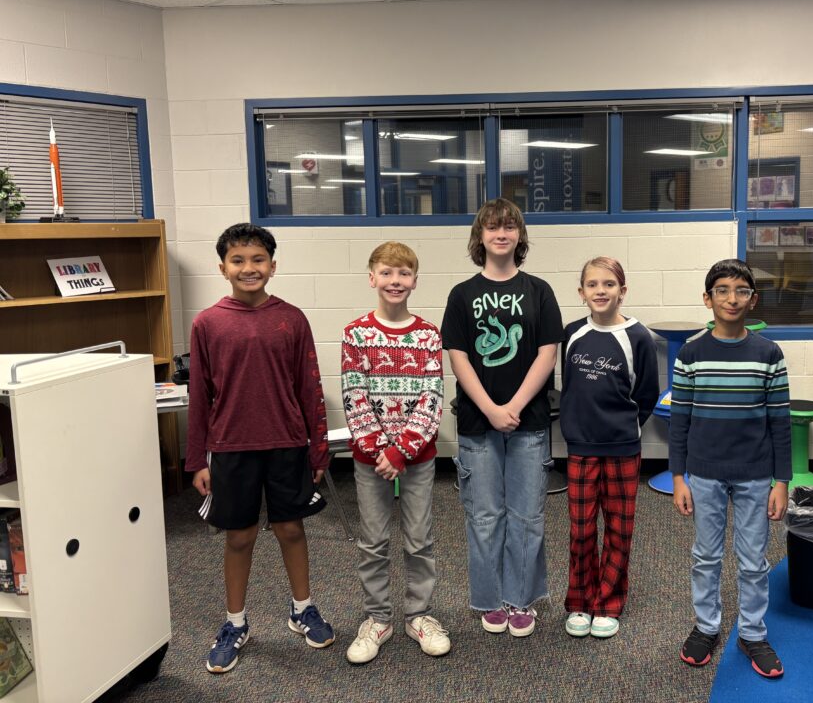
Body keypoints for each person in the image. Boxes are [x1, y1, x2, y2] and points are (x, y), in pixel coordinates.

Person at [186, 223, 334, 674]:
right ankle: (235, 623)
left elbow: (310, 387)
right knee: (240, 536)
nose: (249, 268)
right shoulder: (207, 322)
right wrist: (196, 460)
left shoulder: (292, 318)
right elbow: (199, 396)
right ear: (223, 268)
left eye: (257, 260)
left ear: (272, 265)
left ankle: (302, 609)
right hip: (231, 447)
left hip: (287, 443)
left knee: (291, 530)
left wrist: (318, 450)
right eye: (238, 260)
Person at [441, 197, 562, 638]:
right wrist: (491, 409)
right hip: (477, 423)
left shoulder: (539, 290)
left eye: (509, 226)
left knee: (527, 515)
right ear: (480, 236)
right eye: (493, 227)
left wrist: (513, 406)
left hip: (528, 421)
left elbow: (548, 352)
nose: (501, 233)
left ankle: (521, 599)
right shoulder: (462, 294)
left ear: (519, 235)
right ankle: (491, 599)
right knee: (485, 516)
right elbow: (458, 357)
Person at [670, 258, 791, 679]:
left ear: (753, 299)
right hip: (703, 472)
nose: (731, 298)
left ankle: (752, 633)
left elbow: (779, 420)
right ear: (708, 299)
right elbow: (679, 419)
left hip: (757, 474)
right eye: (722, 290)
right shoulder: (690, 353)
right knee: (706, 555)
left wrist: (782, 481)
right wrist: (679, 476)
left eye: (741, 291)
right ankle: (706, 627)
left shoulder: (769, 354)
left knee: (754, 559)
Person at [341, 241, 449, 664]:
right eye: (386, 273)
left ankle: (418, 614)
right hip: (370, 460)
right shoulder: (356, 334)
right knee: (373, 541)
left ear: (415, 282)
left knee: (419, 539)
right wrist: (379, 449)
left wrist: (402, 449)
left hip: (417, 458)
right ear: (372, 279)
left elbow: (432, 397)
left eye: (403, 274)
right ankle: (378, 618)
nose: (395, 281)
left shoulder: (427, 335)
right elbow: (354, 395)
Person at [559, 257, 659, 639]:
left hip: (622, 449)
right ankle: (580, 602)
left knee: (618, 529)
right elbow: (570, 388)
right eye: (592, 284)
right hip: (581, 448)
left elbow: (646, 394)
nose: (600, 291)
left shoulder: (638, 338)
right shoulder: (571, 334)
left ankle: (608, 603)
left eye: (609, 284)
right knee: (581, 529)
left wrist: (626, 429)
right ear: (581, 292)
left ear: (623, 290)